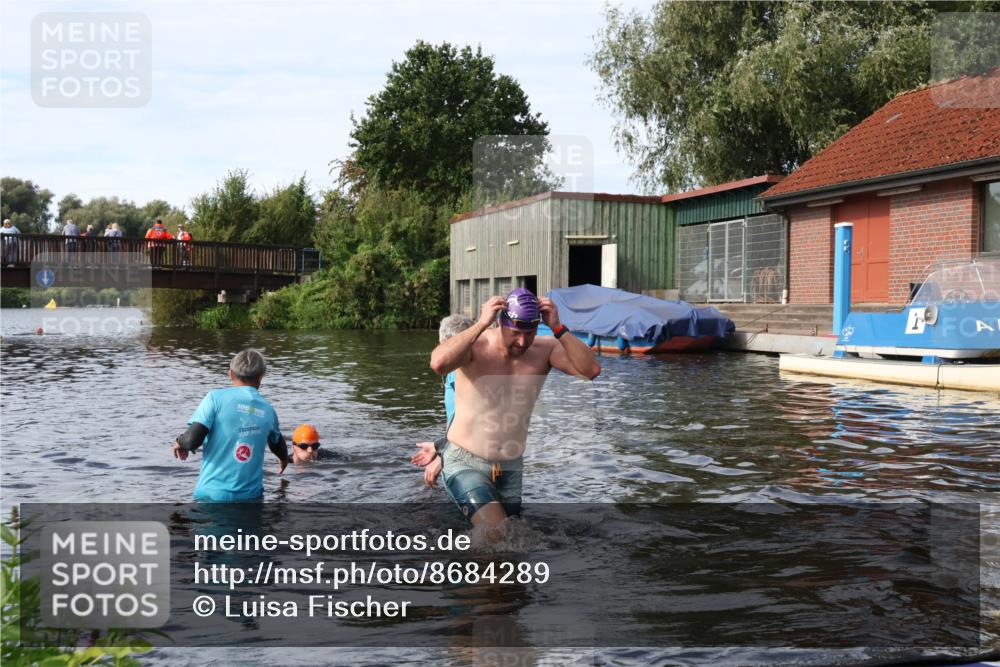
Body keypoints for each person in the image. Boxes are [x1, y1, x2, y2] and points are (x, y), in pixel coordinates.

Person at [429, 288, 600, 531]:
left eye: (529, 334)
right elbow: (438, 363)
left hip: (509, 467)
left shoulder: (545, 349)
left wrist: (559, 328)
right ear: (500, 322)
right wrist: (480, 324)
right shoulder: (475, 346)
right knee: (497, 534)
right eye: (516, 333)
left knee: (511, 544)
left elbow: (590, 370)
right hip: (464, 461)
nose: (522, 342)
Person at [172, 348, 288, 502]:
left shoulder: (215, 398)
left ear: (230, 373)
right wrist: (284, 459)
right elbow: (277, 443)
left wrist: (180, 442)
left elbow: (192, 441)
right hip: (250, 498)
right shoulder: (268, 410)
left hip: (212, 497)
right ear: (261, 377)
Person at [411, 314, 474, 487]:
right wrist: (439, 446)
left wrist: (442, 455)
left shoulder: (460, 372)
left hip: (468, 458)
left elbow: (473, 423)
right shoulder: (457, 371)